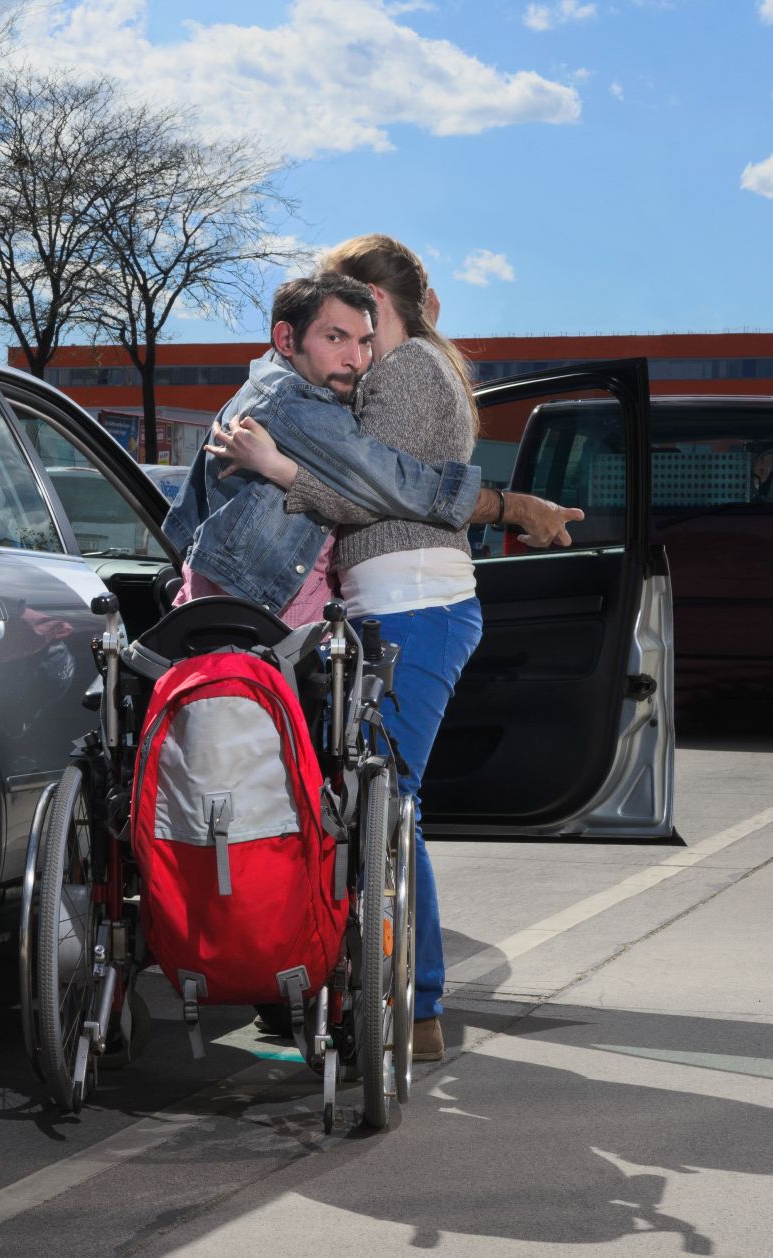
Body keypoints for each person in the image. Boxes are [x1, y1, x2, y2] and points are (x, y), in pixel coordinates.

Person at [207, 234, 583, 1062]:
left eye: (360, 325)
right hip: (390, 606)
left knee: (385, 803)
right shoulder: (405, 368)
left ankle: (418, 1010)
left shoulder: (407, 370)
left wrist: (280, 470)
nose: (354, 350)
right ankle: (353, 989)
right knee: (367, 801)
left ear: (382, 305)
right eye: (338, 336)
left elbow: (368, 489)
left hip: (414, 603)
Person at [162, 274, 578, 628]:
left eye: (364, 342)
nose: (357, 360)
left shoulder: (261, 385)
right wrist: (512, 507)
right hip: (253, 622)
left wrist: (417, 325)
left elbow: (186, 522)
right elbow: (392, 482)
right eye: (335, 338)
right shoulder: (294, 405)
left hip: (239, 611)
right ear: (286, 338)